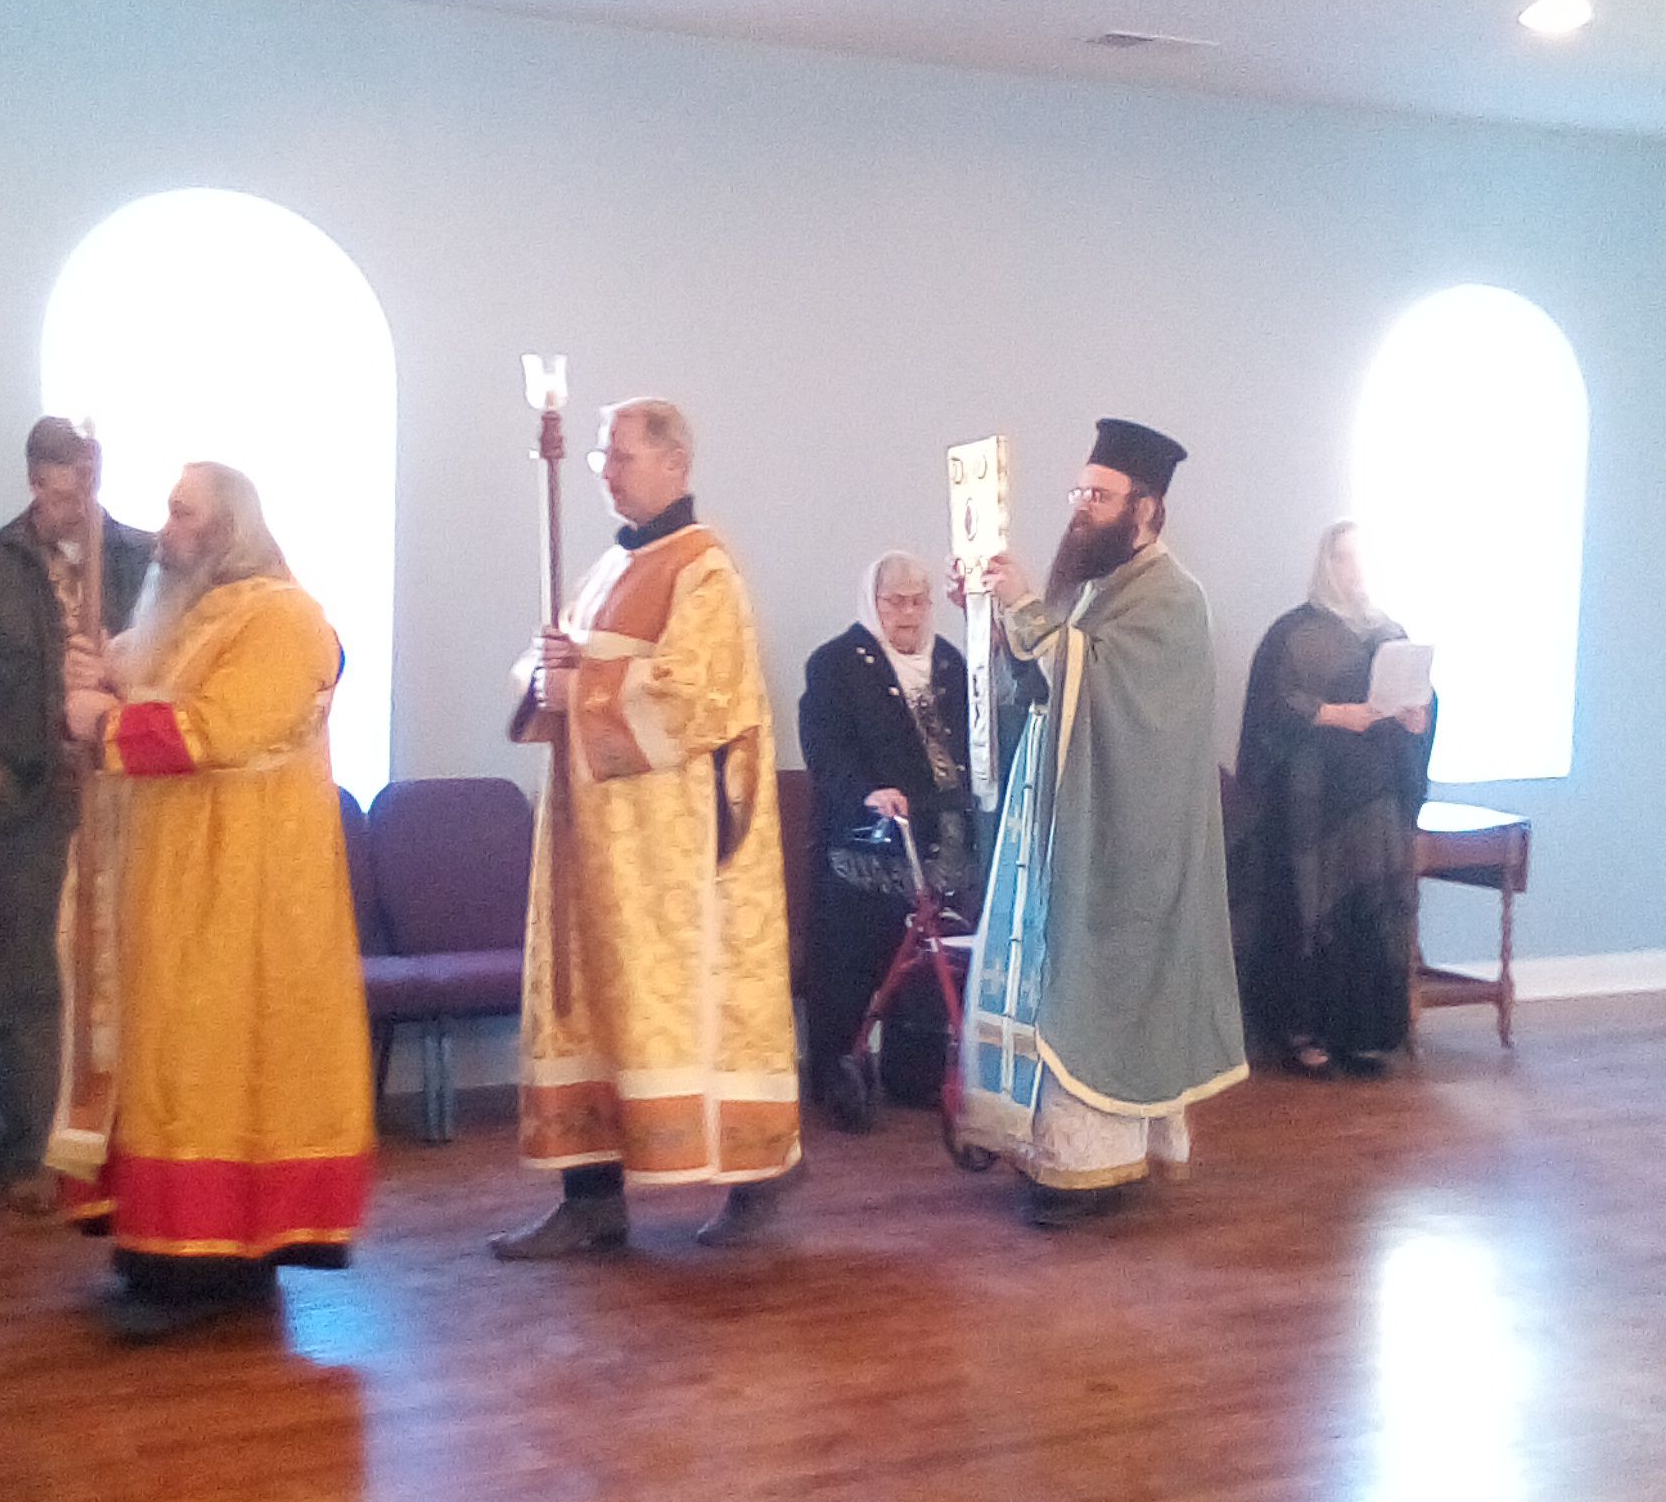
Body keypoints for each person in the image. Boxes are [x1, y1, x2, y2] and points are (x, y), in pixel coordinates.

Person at [59, 462, 375, 1338]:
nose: (163, 530)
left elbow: (223, 728)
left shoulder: (283, 617)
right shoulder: (185, 617)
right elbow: (127, 692)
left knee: (214, 1071)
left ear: (228, 528)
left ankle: (211, 1266)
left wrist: (104, 719)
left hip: (245, 892)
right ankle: (159, 1252)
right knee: (166, 1066)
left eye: (182, 513)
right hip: (171, 885)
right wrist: (92, 682)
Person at [493, 398, 800, 1259]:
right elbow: (557, 664)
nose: (606, 472)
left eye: (620, 455)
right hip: (593, 839)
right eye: (599, 456)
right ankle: (590, 1199)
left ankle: (758, 1181)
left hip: (670, 847)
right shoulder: (607, 566)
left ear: (675, 464)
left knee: (698, 1004)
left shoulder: (704, 569)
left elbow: (701, 695)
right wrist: (546, 676)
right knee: (588, 1006)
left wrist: (583, 691)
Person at [960, 418, 1246, 1221]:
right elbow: (1045, 684)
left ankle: (1096, 1168)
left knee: (1099, 986)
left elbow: (1110, 690)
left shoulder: (1174, 599)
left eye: (1099, 495)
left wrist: (1025, 610)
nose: (1081, 507)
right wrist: (994, 617)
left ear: (1144, 508)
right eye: (1078, 492)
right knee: (1056, 974)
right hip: (1068, 820)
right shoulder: (1094, 585)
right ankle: (1047, 1151)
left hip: (1130, 838)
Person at [0, 419, 153, 1214]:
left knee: (130, 976)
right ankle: (37, 1159)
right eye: (57, 496)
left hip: (131, 804)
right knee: (30, 985)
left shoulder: (144, 561)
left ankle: (132, 1154)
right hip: (28, 806)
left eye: (83, 491)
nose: (72, 509)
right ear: (32, 483)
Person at [1229, 520, 1435, 1074]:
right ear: (1326, 562)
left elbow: (1417, 703)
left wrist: (1418, 719)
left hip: (1374, 800)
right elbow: (1270, 708)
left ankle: (1364, 1034)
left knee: (1372, 909)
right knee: (1309, 909)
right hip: (1310, 801)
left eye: (1362, 557)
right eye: (1344, 557)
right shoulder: (1291, 634)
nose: (1354, 569)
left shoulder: (1391, 633)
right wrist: (1333, 714)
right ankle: (1306, 1033)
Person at [799, 551, 975, 1111]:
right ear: (873, 602)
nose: (909, 613)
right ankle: (837, 1079)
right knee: (849, 962)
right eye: (896, 601)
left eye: (919, 601)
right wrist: (866, 793)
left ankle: (915, 1076)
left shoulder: (949, 663)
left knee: (927, 960)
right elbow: (825, 749)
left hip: (939, 839)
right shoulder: (835, 664)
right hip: (866, 841)